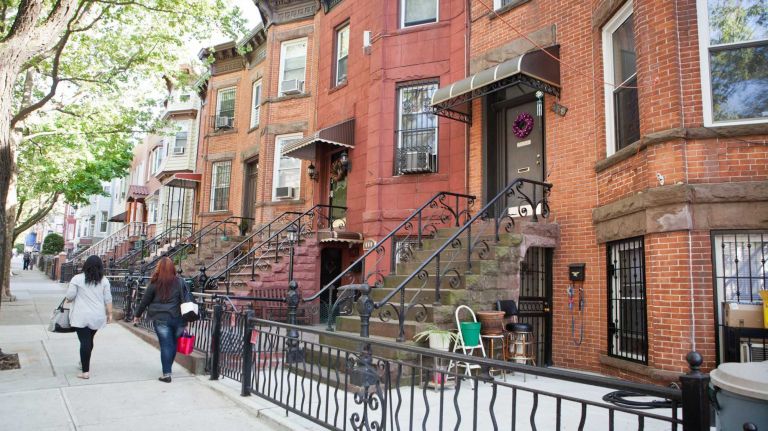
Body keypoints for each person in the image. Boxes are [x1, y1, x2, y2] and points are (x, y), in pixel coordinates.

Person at [133, 257, 185, 383]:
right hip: (177, 318)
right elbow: (185, 299)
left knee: (166, 345)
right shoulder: (180, 282)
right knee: (172, 344)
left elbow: (145, 301)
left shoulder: (154, 283)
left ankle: (166, 373)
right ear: (173, 268)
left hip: (161, 318)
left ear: (159, 268)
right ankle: (168, 368)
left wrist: (137, 315)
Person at [65, 255, 113, 379]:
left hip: (81, 315)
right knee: (89, 340)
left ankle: (85, 371)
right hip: (97, 316)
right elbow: (108, 299)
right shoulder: (104, 281)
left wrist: (70, 299)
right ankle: (83, 361)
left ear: (86, 265)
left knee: (84, 341)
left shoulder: (77, 279)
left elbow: (70, 296)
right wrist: (110, 314)